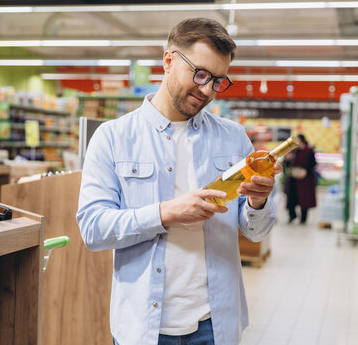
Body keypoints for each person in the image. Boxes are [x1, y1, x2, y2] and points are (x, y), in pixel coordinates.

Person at [76, 17, 280, 345]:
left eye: (218, 81)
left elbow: (255, 231)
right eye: (200, 74)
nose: (207, 90)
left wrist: (258, 201)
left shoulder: (234, 138)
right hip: (142, 327)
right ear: (168, 61)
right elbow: (93, 229)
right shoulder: (113, 138)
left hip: (215, 325)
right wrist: (165, 213)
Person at [284, 134, 317, 224]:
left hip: (305, 179)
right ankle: (292, 215)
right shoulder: (293, 151)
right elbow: (286, 164)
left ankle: (303, 218)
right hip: (293, 179)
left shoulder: (309, 151)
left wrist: (306, 171)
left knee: (304, 199)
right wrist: (287, 159)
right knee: (291, 198)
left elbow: (313, 163)